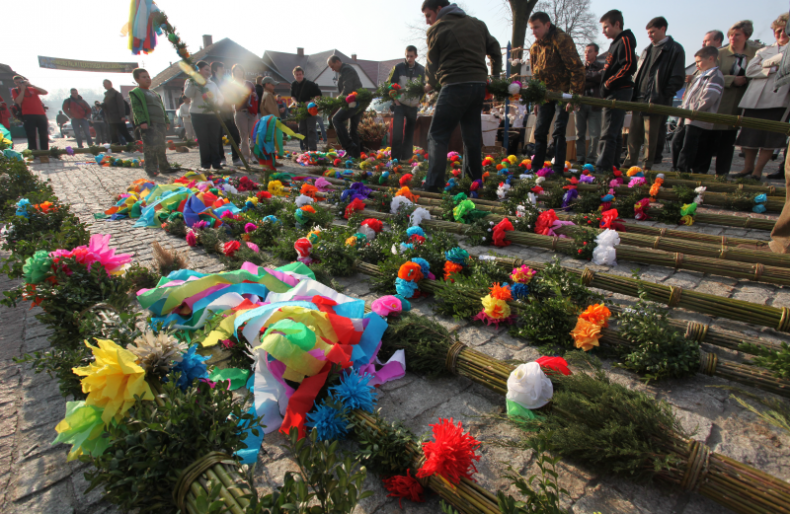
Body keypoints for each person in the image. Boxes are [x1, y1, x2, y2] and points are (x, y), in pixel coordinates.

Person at [420, 0, 502, 192]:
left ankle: (433, 185)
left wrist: (429, 84)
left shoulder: (437, 29)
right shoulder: (477, 24)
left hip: (455, 84)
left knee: (437, 136)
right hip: (478, 87)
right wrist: (495, 77)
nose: (427, 22)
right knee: (471, 137)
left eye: (428, 16)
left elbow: (431, 64)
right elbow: (495, 49)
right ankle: (474, 183)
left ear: (439, 10)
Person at [699, 21, 762, 175]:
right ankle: (701, 171)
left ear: (746, 36)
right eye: (731, 35)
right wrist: (731, 79)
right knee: (710, 137)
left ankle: (722, 173)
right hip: (720, 100)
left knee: (729, 141)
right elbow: (708, 73)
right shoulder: (719, 53)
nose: (732, 38)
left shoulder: (756, 52)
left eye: (737, 35)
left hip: (742, 101)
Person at [622, 17, 685, 170]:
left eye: (652, 32)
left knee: (650, 136)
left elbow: (677, 77)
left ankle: (647, 165)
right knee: (634, 134)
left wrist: (663, 95)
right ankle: (630, 162)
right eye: (648, 33)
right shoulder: (647, 49)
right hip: (639, 98)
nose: (649, 35)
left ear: (663, 29)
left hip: (657, 100)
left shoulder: (675, 49)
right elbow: (639, 73)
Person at [732, 13, 790, 179]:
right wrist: (772, 69)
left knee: (770, 138)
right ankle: (747, 168)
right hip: (754, 99)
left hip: (778, 100)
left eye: (784, 31)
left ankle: (758, 171)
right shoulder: (765, 50)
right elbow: (750, 71)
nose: (781, 34)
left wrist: (766, 68)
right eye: (778, 31)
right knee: (750, 135)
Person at [528, 11, 585, 174]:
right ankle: (536, 167)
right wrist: (537, 99)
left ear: (547, 25)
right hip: (545, 96)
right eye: (532, 29)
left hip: (563, 94)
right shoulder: (534, 47)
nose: (534, 32)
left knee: (559, 131)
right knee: (539, 132)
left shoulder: (561, 39)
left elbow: (577, 68)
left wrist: (574, 96)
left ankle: (558, 168)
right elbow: (535, 75)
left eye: (537, 27)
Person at [596, 10, 637, 173]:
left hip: (619, 90)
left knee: (608, 132)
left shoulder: (626, 39)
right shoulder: (616, 43)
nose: (604, 31)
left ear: (617, 24)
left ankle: (603, 168)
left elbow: (629, 65)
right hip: (614, 90)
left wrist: (608, 83)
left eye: (606, 27)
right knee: (614, 131)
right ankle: (612, 166)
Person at [672, 46, 725, 172]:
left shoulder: (715, 77)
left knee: (688, 147)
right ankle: (675, 167)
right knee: (677, 143)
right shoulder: (700, 76)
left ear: (711, 58)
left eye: (699, 62)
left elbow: (707, 100)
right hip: (687, 116)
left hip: (697, 118)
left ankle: (683, 171)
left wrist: (688, 109)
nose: (697, 65)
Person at [129, 68, 172, 177]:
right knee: (150, 148)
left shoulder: (154, 93)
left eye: (148, 76)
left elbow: (162, 108)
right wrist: (142, 122)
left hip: (160, 123)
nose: (147, 79)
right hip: (149, 124)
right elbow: (137, 108)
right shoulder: (136, 92)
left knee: (161, 146)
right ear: (137, 79)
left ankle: (165, 167)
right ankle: (151, 169)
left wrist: (166, 120)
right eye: (144, 77)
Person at [387, 45, 426, 162]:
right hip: (400, 105)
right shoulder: (398, 68)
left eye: (411, 56)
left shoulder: (422, 70)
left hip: (413, 106)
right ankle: (395, 159)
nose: (409, 58)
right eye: (407, 56)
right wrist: (396, 101)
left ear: (416, 56)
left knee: (409, 134)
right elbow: (390, 85)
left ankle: (406, 158)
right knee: (397, 133)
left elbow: (424, 88)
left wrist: (418, 102)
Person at [184, 60, 225, 170]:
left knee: (214, 139)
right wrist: (195, 83)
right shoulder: (191, 81)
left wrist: (216, 105)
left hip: (213, 114)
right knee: (203, 140)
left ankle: (217, 163)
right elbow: (188, 94)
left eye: (209, 70)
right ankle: (206, 164)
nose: (208, 72)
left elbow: (221, 97)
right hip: (198, 115)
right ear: (199, 70)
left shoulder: (212, 83)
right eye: (206, 69)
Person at [327, 56, 363, 157]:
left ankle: (348, 146)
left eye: (332, 66)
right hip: (355, 101)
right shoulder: (343, 71)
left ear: (338, 61)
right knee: (352, 130)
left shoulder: (347, 70)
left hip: (353, 101)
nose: (332, 69)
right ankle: (355, 155)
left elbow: (348, 88)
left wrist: (336, 103)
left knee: (336, 120)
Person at [576, 43, 604, 164]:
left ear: (596, 53)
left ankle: (591, 159)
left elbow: (601, 78)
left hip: (595, 104)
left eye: (590, 51)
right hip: (580, 103)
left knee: (594, 134)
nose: (587, 54)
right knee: (579, 133)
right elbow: (579, 83)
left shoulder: (602, 67)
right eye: (585, 51)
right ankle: (580, 158)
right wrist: (593, 79)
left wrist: (587, 78)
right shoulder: (580, 68)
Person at [210, 62, 242, 167]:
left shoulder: (226, 81)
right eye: (221, 68)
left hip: (228, 111)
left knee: (235, 134)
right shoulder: (211, 82)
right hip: (217, 112)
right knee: (218, 136)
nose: (224, 70)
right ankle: (221, 158)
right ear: (215, 70)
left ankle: (236, 158)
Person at [11, 75, 49, 151]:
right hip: (28, 114)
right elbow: (18, 101)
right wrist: (22, 90)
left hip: (40, 114)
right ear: (15, 83)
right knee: (31, 134)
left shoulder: (32, 89)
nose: (20, 84)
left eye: (21, 82)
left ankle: (45, 151)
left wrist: (31, 85)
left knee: (44, 134)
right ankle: (33, 151)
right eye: (17, 82)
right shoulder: (15, 90)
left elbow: (45, 92)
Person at [290, 66, 323, 151]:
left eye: (300, 74)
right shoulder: (293, 85)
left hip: (311, 108)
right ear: (294, 75)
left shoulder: (310, 84)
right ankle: (305, 147)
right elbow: (292, 96)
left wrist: (311, 101)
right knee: (302, 129)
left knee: (311, 128)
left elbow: (318, 95)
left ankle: (312, 149)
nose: (298, 76)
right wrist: (296, 102)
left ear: (303, 75)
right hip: (300, 109)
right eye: (297, 75)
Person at [231, 64, 258, 163]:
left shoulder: (249, 83)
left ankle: (255, 157)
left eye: (240, 70)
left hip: (251, 112)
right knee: (244, 135)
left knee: (253, 135)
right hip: (240, 112)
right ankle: (245, 157)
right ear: (233, 73)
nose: (239, 72)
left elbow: (256, 96)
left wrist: (254, 95)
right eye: (237, 71)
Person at [103, 80, 134, 144]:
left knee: (124, 133)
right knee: (113, 135)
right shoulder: (107, 94)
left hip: (118, 117)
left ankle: (134, 145)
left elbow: (121, 105)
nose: (104, 86)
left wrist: (122, 116)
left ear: (110, 84)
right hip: (111, 118)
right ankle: (116, 148)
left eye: (105, 84)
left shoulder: (116, 94)